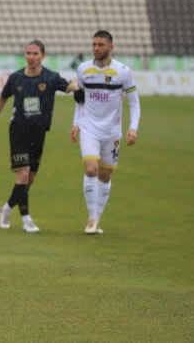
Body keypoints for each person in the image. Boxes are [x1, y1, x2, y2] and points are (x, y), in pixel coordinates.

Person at [0, 40, 79, 233]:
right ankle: (27, 220)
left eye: (35, 53)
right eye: (28, 53)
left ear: (43, 55)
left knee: (29, 180)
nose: (31, 57)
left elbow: (69, 86)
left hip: (39, 132)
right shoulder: (16, 78)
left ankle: (6, 208)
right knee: (23, 174)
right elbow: (2, 97)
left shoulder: (50, 78)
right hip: (18, 130)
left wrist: (80, 89)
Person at [70, 30, 141, 235]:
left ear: (111, 47)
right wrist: (76, 123)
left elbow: (134, 103)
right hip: (89, 128)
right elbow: (80, 100)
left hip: (112, 132)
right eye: (94, 45)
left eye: (100, 45)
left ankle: (97, 217)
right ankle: (92, 218)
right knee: (91, 169)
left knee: (105, 174)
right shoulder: (83, 70)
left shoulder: (123, 72)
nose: (96, 48)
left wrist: (133, 128)